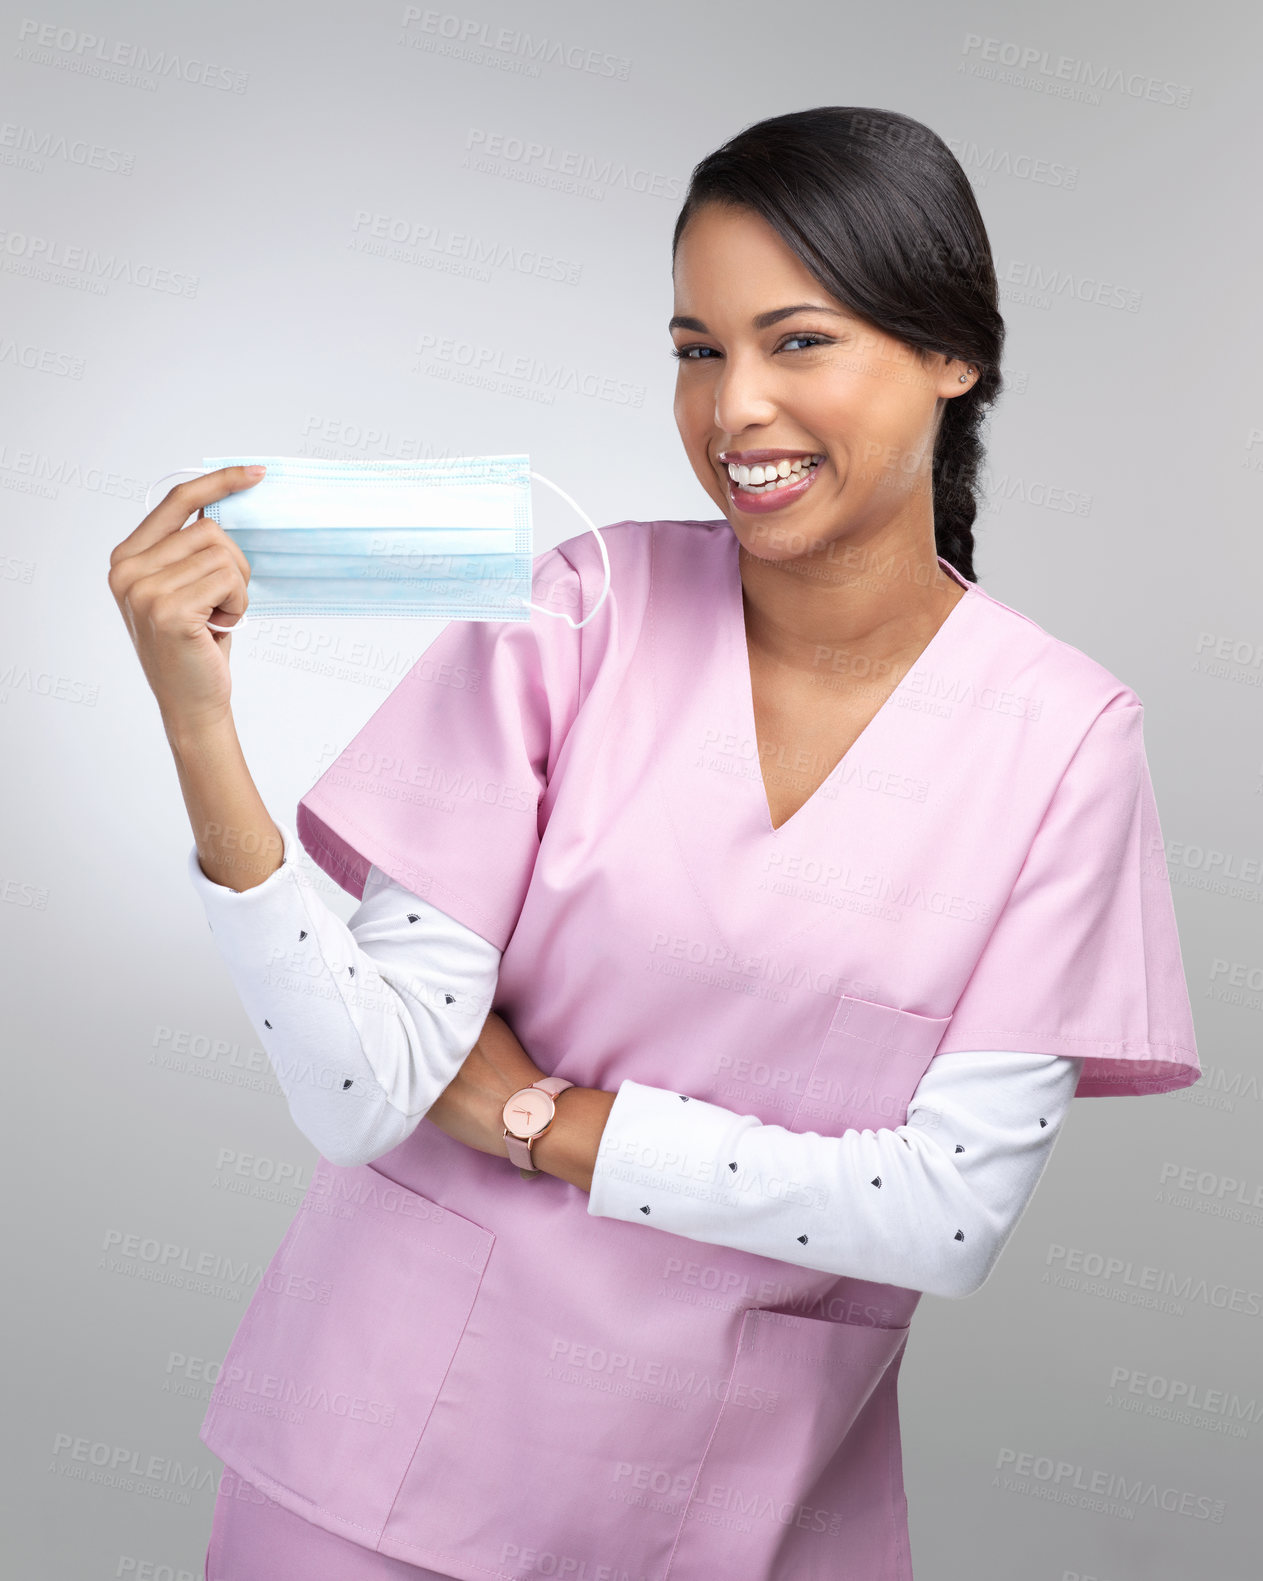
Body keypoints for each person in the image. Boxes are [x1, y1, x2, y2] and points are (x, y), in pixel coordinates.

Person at [108, 107, 1200, 1581]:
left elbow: (946, 1211)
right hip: (383, 1466)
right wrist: (199, 727)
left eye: (797, 341)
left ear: (955, 354)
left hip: (737, 1506)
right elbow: (366, 1082)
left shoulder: (1063, 739)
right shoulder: (583, 610)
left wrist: (546, 1122)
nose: (735, 407)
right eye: (698, 350)